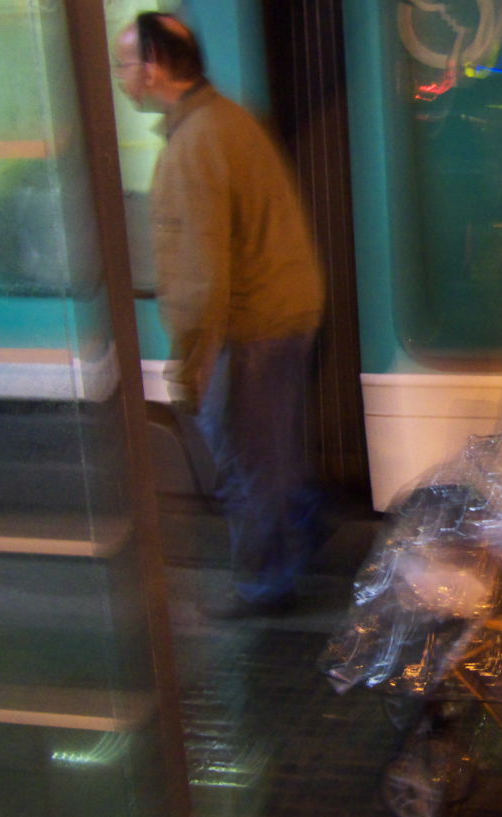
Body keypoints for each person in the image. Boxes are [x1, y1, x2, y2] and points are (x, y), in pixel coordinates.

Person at [113, 12, 326, 617]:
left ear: (153, 68)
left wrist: (192, 362)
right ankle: (298, 536)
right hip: (282, 312)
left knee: (247, 462)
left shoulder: (195, 143)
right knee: (270, 452)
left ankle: (267, 585)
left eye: (124, 64)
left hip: (252, 327)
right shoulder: (224, 119)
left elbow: (199, 274)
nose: (122, 77)